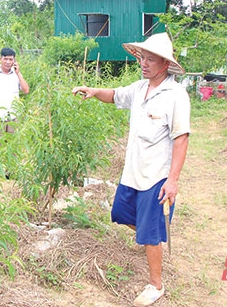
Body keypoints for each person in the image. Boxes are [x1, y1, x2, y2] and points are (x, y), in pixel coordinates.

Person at [72, 32, 190, 307]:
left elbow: (181, 137)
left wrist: (172, 181)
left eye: (150, 60)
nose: (144, 63)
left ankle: (156, 285)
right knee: (120, 214)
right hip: (133, 172)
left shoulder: (176, 95)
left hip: (156, 176)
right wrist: (92, 91)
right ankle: (153, 240)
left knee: (148, 230)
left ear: (164, 65)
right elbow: (114, 95)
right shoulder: (139, 89)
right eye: (142, 58)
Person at [0, 47, 30, 142]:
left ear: (14, 61)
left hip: (13, 117)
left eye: (11, 59)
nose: (8, 62)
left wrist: (18, 73)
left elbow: (26, 90)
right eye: (5, 59)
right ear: (0, 59)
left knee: (13, 148)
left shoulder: (16, 74)